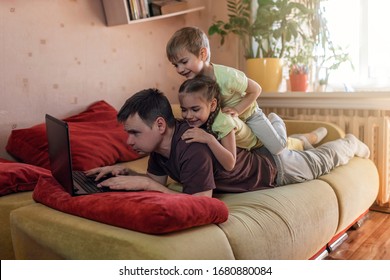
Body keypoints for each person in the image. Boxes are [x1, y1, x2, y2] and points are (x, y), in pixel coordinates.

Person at [86, 88, 370, 197]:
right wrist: (126, 173)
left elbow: (200, 202)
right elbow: (158, 185)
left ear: (160, 125)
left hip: (275, 170)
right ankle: (302, 139)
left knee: (323, 160)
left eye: (134, 132)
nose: (128, 140)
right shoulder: (159, 150)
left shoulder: (192, 145)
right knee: (299, 147)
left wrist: (146, 184)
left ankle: (350, 142)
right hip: (264, 157)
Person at [165, 26, 327, 155]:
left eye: (184, 62)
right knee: (259, 150)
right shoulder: (194, 84)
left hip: (250, 115)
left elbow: (256, 89)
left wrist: (237, 109)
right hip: (234, 123)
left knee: (277, 148)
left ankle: (276, 121)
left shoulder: (227, 76)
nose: (180, 69)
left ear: (202, 53)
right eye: (175, 65)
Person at [178, 75, 327, 171]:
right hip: (253, 138)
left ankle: (278, 122)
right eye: (184, 110)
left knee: (286, 145)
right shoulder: (203, 118)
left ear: (212, 105)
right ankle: (306, 138)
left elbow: (230, 163)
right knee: (294, 141)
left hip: (262, 147)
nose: (188, 116)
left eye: (195, 109)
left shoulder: (223, 123)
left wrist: (208, 139)